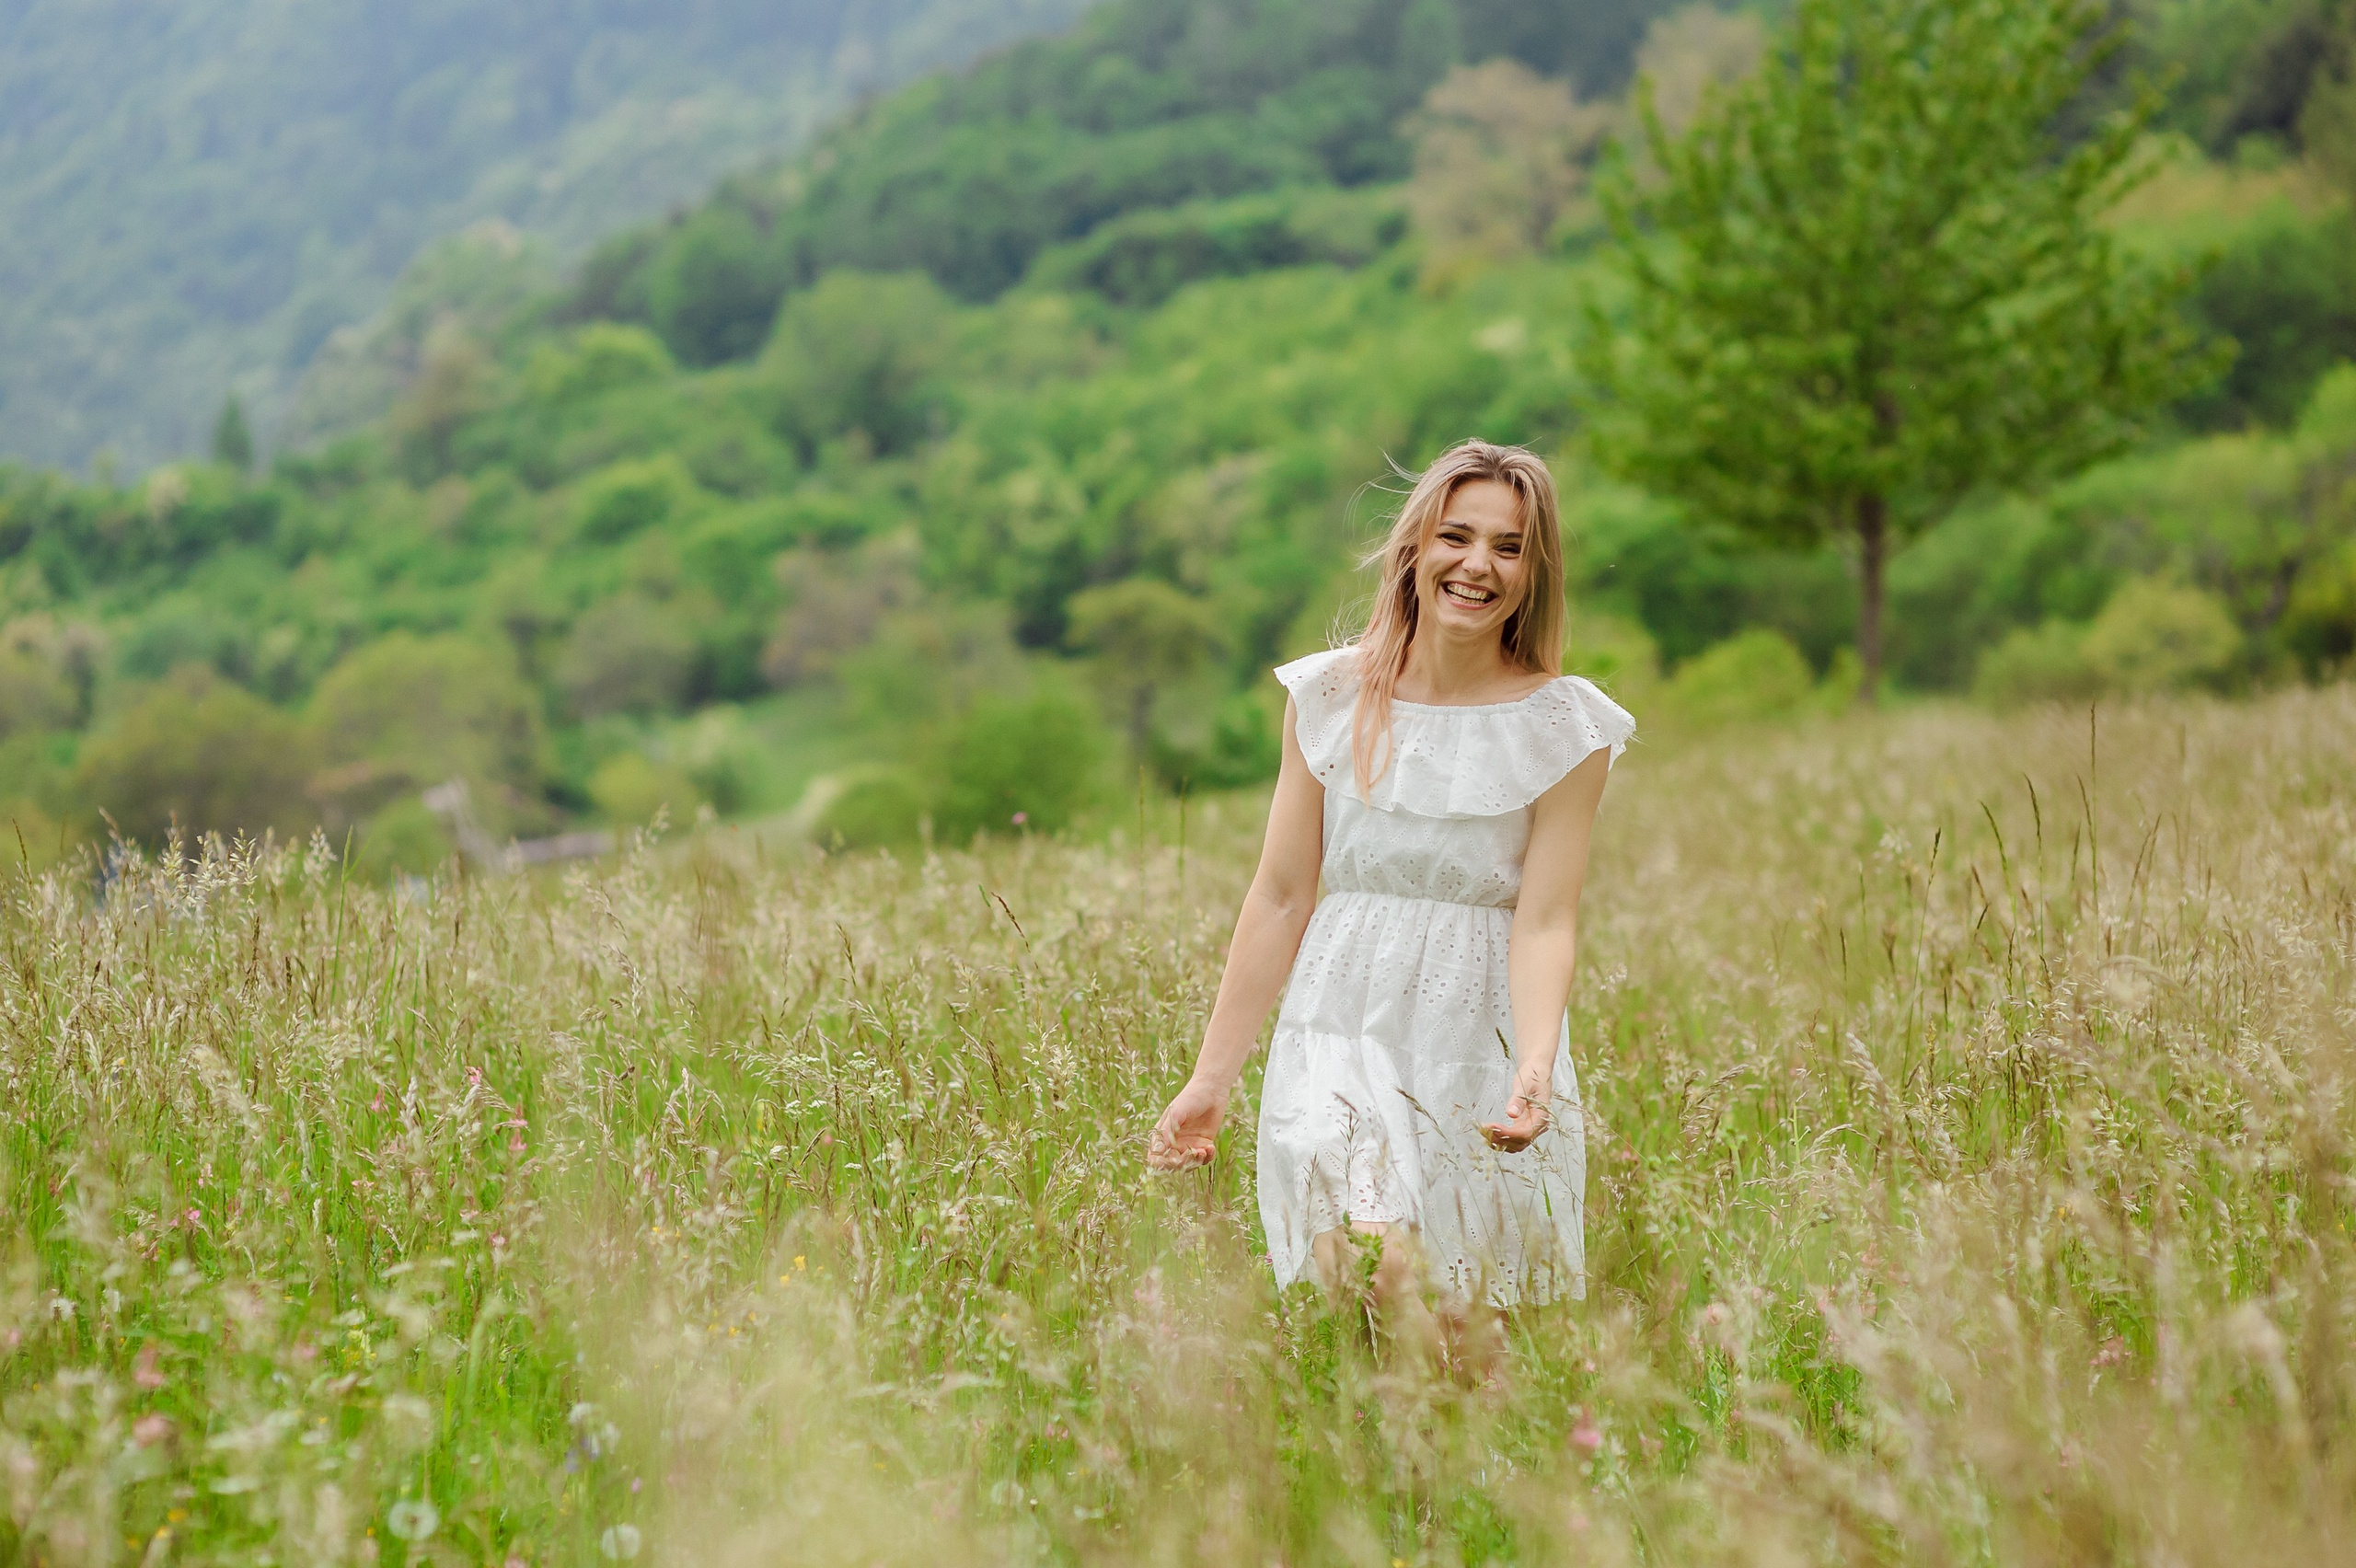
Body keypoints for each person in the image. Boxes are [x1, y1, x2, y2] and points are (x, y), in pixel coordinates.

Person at [1146, 439, 1634, 1352]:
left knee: (1460, 1337)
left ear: (1535, 573)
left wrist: (1531, 1068)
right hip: (1338, 1021)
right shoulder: (1329, 696)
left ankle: (1442, 1480)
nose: (1476, 565)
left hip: (1474, 1036)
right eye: (1456, 536)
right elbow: (1283, 894)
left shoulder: (1566, 727)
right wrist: (1209, 1080)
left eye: (1508, 547)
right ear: (1415, 550)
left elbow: (1545, 919)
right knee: (1374, 1272)